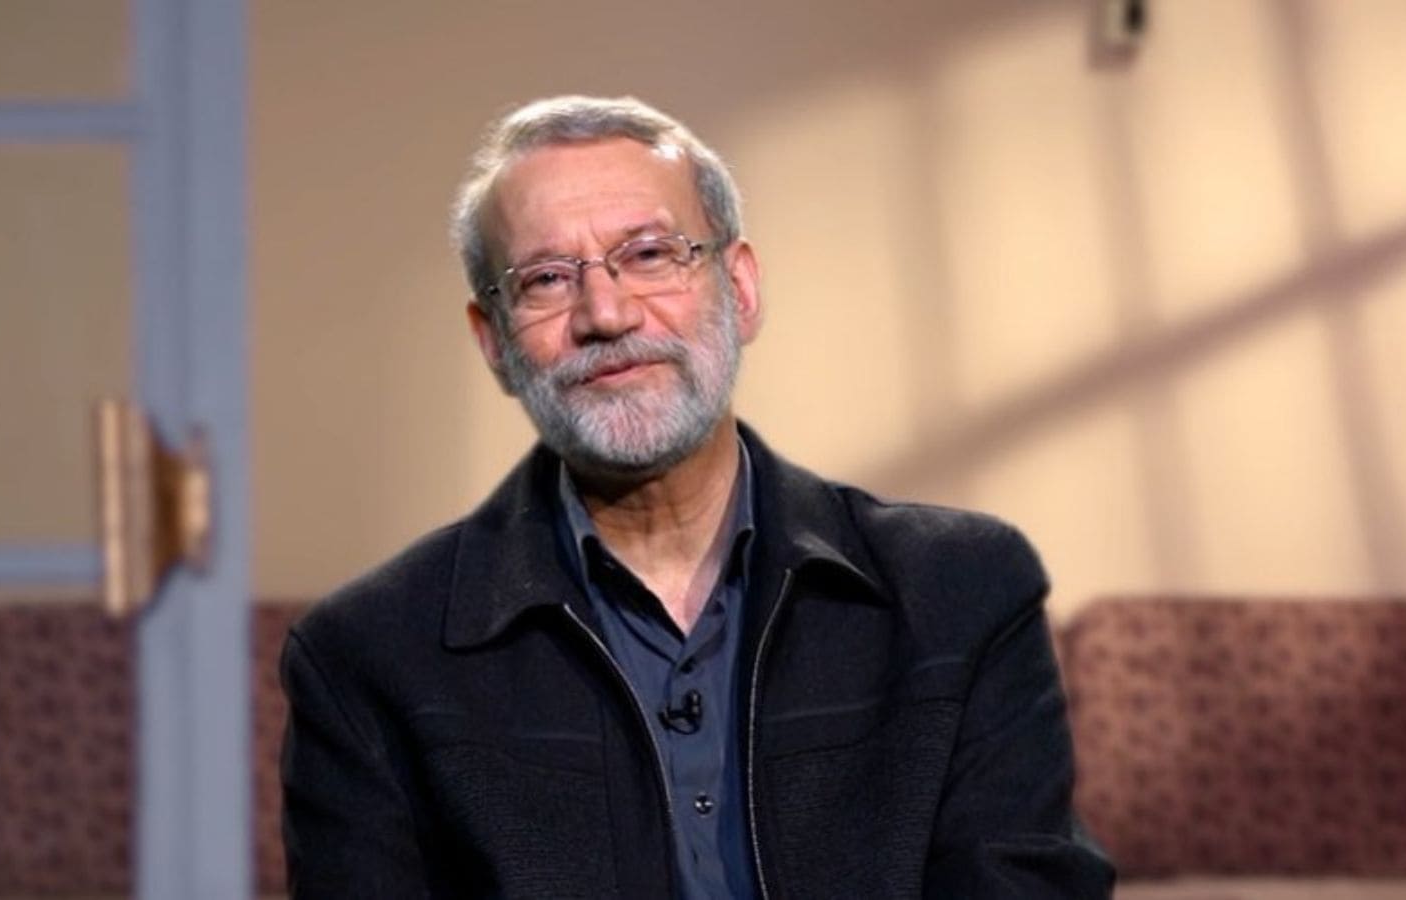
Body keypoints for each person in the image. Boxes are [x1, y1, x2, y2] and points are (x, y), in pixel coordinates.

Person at [280, 94, 1114, 899]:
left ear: (739, 288)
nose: (606, 313)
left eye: (650, 255)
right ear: (494, 342)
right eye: (545, 279)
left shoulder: (963, 592)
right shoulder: (364, 657)